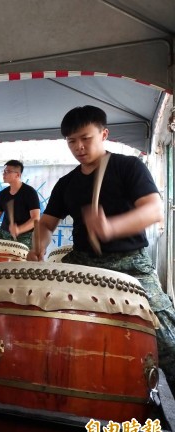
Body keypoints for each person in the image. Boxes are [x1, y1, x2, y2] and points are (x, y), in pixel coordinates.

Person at [27, 105, 175, 390]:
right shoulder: (67, 183)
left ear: (104, 134)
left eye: (86, 138)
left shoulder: (128, 167)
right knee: (44, 312)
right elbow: (46, 224)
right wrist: (38, 247)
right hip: (83, 261)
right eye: (71, 141)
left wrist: (111, 228)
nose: (79, 147)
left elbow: (154, 211)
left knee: (166, 335)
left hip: (131, 263)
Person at [0, 160, 40, 248]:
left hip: (25, 235)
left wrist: (19, 229)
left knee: (19, 259)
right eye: (4, 171)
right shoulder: (3, 193)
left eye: (7, 172)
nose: (4, 174)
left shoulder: (30, 192)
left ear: (18, 175)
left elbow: (36, 218)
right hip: (4, 233)